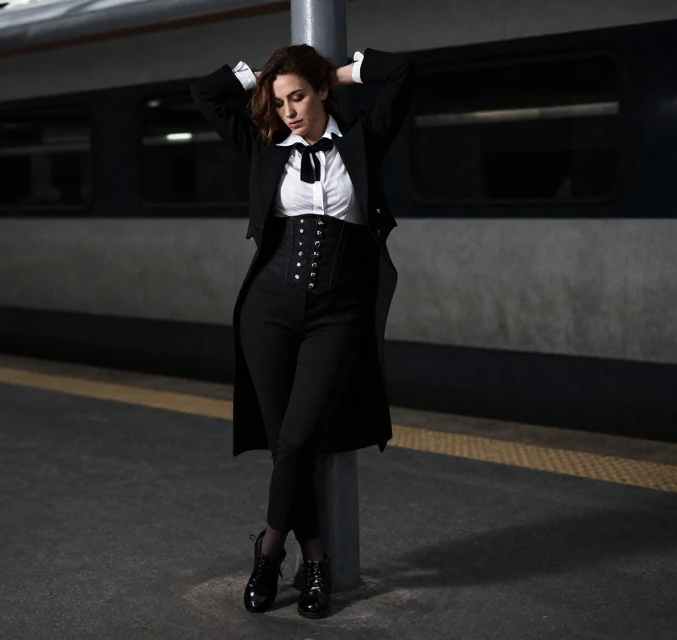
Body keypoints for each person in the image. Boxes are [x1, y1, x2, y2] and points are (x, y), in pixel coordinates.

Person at [190, 43, 415, 618]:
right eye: (279, 102)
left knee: (297, 439)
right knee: (287, 445)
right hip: (268, 311)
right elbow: (205, 93)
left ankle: (269, 550)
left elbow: (406, 73)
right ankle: (315, 560)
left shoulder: (362, 140)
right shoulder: (264, 150)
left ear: (321, 94)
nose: (288, 111)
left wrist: (342, 72)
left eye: (298, 97)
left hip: (337, 314)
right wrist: (259, 77)